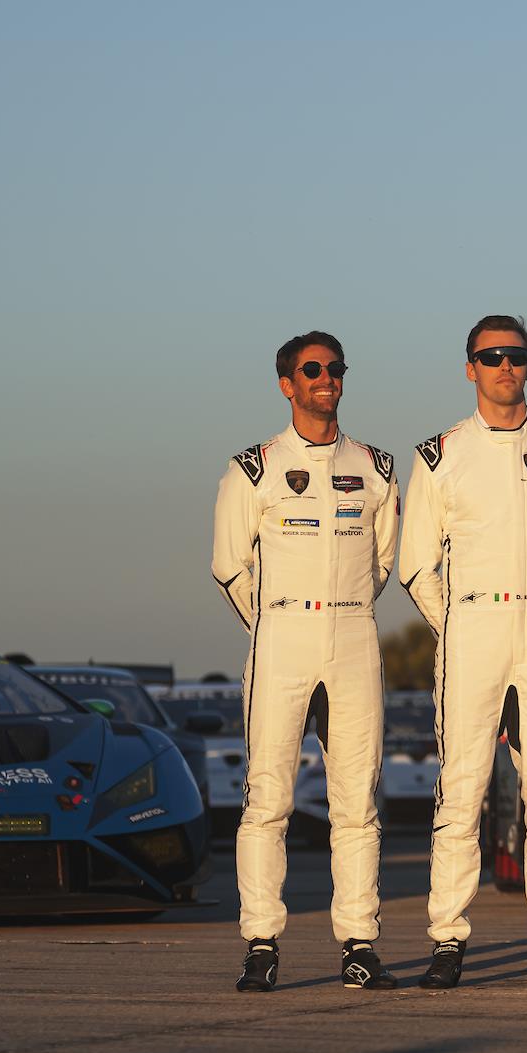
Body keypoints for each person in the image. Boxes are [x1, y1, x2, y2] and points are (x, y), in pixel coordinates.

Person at [400, 316, 527, 990]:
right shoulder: (439, 454)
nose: (504, 366)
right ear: (470, 368)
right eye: (491, 356)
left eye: (515, 355)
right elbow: (416, 566)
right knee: (461, 793)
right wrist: (460, 624)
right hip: (472, 631)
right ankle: (447, 942)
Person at [212, 331, 401, 991]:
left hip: (353, 634)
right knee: (268, 799)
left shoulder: (376, 466)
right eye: (312, 369)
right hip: (282, 635)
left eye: (335, 368)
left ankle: (359, 944)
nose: (326, 379)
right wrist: (275, 621)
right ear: (287, 384)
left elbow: (383, 561)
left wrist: (342, 611)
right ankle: (261, 944)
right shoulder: (253, 467)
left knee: (357, 803)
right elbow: (229, 566)